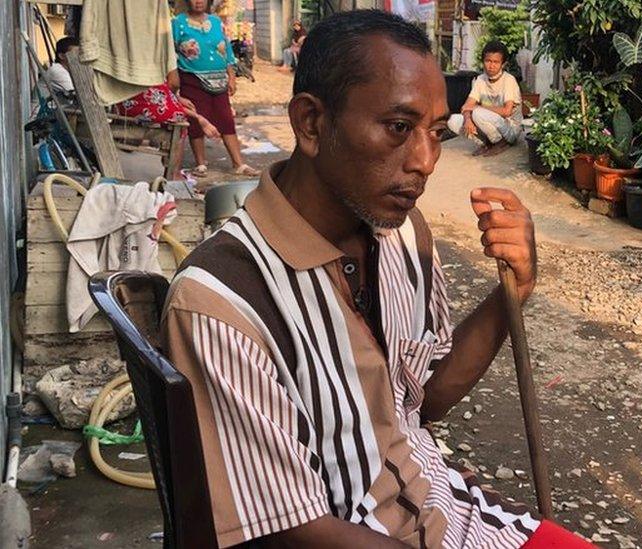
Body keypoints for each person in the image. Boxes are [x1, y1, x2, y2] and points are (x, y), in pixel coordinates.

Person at [161, 9, 594, 549]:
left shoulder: (404, 236)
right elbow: (288, 531)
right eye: (398, 128)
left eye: (435, 133)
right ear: (312, 124)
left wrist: (514, 292)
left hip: (449, 508)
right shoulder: (220, 301)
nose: (426, 161)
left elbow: (421, 401)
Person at [171, 0, 259, 177]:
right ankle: (201, 164)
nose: (198, 1)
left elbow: (227, 51)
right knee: (196, 120)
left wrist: (232, 76)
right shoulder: (177, 23)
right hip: (191, 78)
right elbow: (170, 53)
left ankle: (238, 164)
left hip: (219, 79)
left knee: (226, 119)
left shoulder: (216, 22)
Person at [448, 40, 523, 157]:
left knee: (477, 113)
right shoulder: (480, 80)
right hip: (490, 121)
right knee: (453, 120)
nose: (491, 66)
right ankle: (486, 143)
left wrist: (478, 107)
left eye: (496, 62)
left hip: (510, 129)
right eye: (488, 61)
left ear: (503, 64)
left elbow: (507, 111)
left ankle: (501, 142)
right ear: (483, 61)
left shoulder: (509, 80)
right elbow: (467, 106)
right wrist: (467, 119)